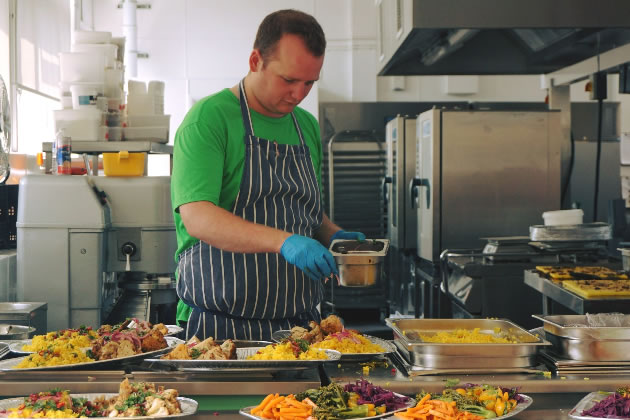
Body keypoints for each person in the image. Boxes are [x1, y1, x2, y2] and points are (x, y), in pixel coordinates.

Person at [171, 9, 365, 341]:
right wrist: (284, 242)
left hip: (300, 329)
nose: (299, 94)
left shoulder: (305, 126)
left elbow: (306, 214)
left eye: (309, 82)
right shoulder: (209, 119)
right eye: (289, 80)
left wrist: (335, 236)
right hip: (220, 329)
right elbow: (198, 218)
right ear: (255, 60)